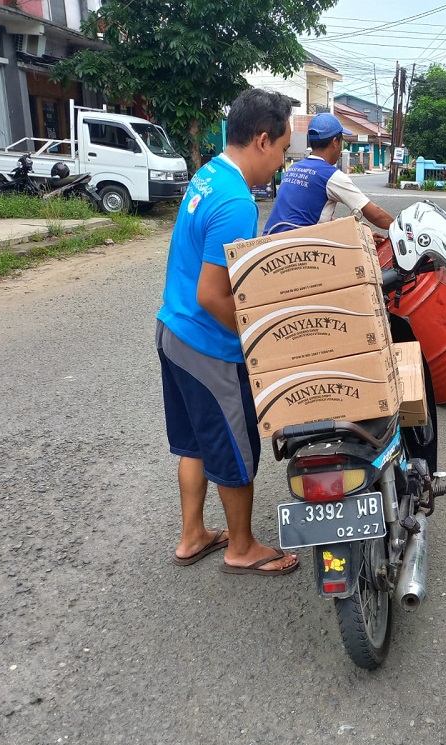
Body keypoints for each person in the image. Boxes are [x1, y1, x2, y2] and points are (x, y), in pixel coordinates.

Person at [156, 88, 299, 576]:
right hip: (205, 345)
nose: (281, 164)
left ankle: (193, 534)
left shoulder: (208, 174)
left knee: (195, 442)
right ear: (262, 140)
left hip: (172, 332)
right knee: (237, 448)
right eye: (281, 151)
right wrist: (262, 341)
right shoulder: (238, 201)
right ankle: (242, 547)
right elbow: (213, 295)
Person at [263, 112, 395, 235]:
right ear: (335, 142)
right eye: (341, 141)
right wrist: (400, 229)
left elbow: (317, 219)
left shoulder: (294, 168)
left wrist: (361, 235)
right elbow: (376, 214)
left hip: (270, 243)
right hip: (297, 251)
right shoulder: (332, 176)